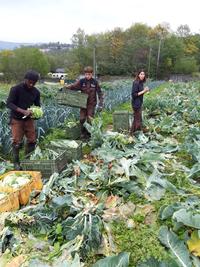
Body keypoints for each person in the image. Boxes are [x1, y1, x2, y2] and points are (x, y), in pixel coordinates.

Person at [6, 70, 40, 170]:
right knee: (17, 142)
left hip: (29, 119)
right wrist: (22, 111)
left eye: (34, 82)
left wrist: (36, 113)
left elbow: (38, 105)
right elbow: (9, 103)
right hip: (16, 119)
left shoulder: (36, 92)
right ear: (25, 79)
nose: (31, 84)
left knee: (32, 141)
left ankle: (27, 160)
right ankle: (16, 163)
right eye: (29, 81)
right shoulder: (16, 89)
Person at [65, 66, 104, 139]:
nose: (87, 76)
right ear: (84, 74)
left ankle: (89, 134)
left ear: (91, 74)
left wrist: (101, 103)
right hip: (83, 103)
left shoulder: (95, 82)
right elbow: (74, 86)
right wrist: (66, 87)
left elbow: (100, 93)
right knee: (82, 119)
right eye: (86, 74)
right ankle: (83, 133)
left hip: (91, 104)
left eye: (89, 74)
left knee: (90, 119)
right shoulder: (82, 81)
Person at [130, 70, 149, 134]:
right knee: (138, 120)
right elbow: (134, 95)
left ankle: (132, 133)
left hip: (139, 103)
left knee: (136, 119)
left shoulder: (141, 83)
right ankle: (137, 134)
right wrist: (144, 91)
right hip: (136, 104)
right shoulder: (136, 83)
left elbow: (140, 93)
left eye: (143, 74)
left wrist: (145, 91)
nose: (143, 75)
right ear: (138, 75)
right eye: (141, 74)